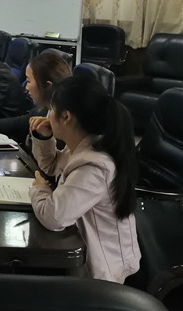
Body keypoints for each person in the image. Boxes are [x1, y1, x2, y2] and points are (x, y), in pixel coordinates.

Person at [28, 76, 140, 283]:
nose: (48, 116)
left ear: (66, 116)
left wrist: (39, 189)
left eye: (51, 109)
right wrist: (44, 138)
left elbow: (54, 218)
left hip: (103, 278)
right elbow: (52, 166)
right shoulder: (85, 144)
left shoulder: (94, 166)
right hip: (86, 259)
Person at [0, 52, 71, 142]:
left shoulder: (65, 124)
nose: (26, 88)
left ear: (48, 86)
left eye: (29, 81)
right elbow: (20, 122)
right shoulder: (44, 110)